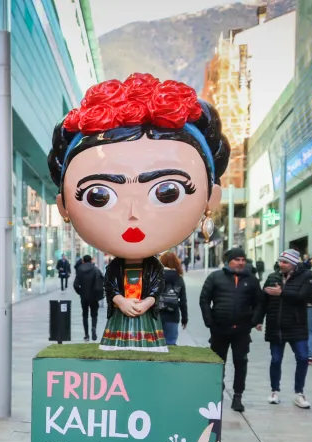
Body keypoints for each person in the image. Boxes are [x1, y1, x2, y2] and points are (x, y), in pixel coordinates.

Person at [46, 72, 230, 353]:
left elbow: (155, 287)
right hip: (121, 316)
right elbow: (110, 285)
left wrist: (146, 302)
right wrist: (119, 300)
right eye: (99, 195)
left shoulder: (154, 268)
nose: (133, 214)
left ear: (211, 199)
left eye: (167, 191)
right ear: (64, 207)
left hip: (147, 318)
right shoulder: (116, 268)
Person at [199, 247, 261, 412]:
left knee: (241, 362)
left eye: (243, 259)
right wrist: (209, 321)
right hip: (219, 329)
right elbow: (204, 299)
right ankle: (216, 392)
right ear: (229, 261)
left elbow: (260, 302)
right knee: (218, 362)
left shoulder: (251, 280)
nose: (241, 262)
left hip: (241, 330)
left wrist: (254, 321)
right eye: (237, 259)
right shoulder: (216, 277)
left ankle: (238, 396)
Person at [255, 249, 312, 408]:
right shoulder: (272, 277)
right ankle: (274, 391)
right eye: (280, 261)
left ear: (293, 264)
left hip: (297, 325)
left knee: (302, 358)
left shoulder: (306, 276)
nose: (281, 264)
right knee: (275, 359)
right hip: (276, 326)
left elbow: (304, 296)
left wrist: (282, 293)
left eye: (285, 262)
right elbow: (263, 301)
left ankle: (299, 393)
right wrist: (258, 320)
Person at [158, 251, 189, 346]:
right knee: (171, 344)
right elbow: (183, 301)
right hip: (173, 316)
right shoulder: (179, 279)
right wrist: (184, 318)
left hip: (156, 315)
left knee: (156, 345)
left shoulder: (156, 277)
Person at [73, 254, 104, 342]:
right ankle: (93, 327)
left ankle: (86, 335)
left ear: (83, 261)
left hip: (84, 296)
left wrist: (80, 292)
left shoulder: (80, 270)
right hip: (94, 296)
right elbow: (103, 281)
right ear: (91, 261)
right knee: (94, 314)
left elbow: (75, 285)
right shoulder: (95, 270)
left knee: (85, 315)